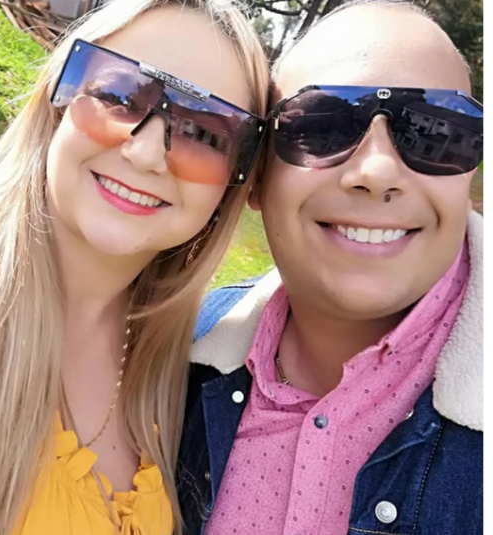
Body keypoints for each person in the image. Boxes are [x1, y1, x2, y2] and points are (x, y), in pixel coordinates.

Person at [0, 0, 272, 532]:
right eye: (120, 96)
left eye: (203, 133)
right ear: (59, 96)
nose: (146, 153)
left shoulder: (185, 375)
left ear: (234, 182)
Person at [176, 2, 483, 534]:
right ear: (257, 177)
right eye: (323, 126)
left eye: (433, 132)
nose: (378, 171)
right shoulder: (179, 356)